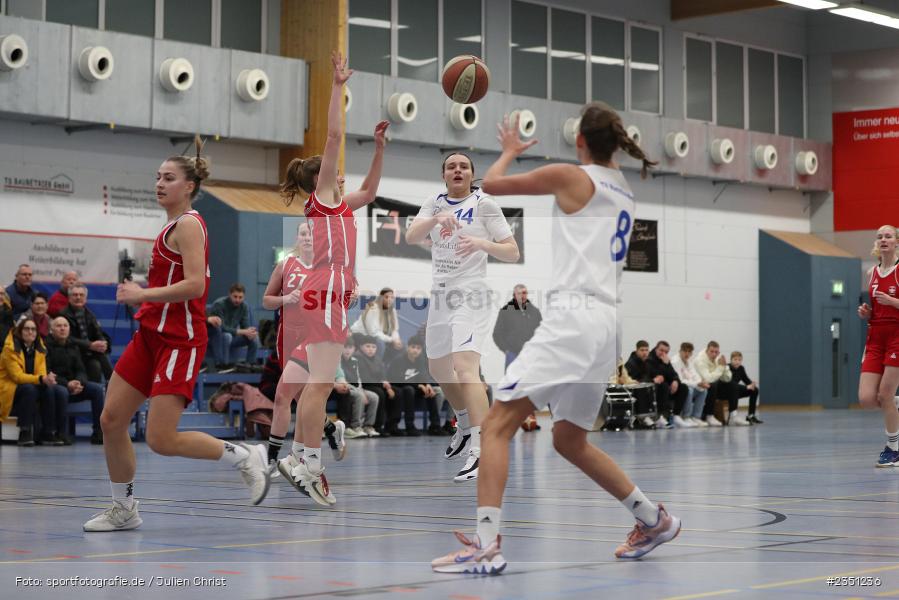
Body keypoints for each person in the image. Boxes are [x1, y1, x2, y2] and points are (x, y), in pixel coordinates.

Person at [431, 104, 681, 573]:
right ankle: (653, 518)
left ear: (580, 141)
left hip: (574, 317)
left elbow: (493, 184)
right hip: (607, 323)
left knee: (497, 426)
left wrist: (507, 151)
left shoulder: (572, 175)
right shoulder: (623, 188)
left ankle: (486, 545)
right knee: (568, 438)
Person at [82, 137, 270, 533]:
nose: (160, 183)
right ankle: (124, 508)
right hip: (150, 335)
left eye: (169, 177)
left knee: (161, 439)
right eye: (157, 177)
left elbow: (196, 286)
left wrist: (142, 293)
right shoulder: (170, 225)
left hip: (180, 340)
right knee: (112, 419)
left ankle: (244, 455)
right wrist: (145, 299)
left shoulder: (189, 225)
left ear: (189, 186)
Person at [276, 51, 389, 503]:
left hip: (333, 294)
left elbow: (371, 191)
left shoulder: (340, 205)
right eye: (332, 171)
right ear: (320, 179)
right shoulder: (322, 198)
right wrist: (338, 84)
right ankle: (307, 463)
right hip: (325, 290)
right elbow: (335, 134)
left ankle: (303, 460)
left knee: (316, 384)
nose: (340, 175)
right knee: (320, 384)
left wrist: (379, 150)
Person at [405, 151, 520, 483]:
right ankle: (465, 425)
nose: (458, 170)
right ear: (444, 175)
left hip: (471, 292)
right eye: (451, 166)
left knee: (464, 367)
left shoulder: (485, 204)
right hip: (441, 293)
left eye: (464, 166)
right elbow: (413, 235)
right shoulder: (434, 202)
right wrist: (435, 220)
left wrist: (483, 243)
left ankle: (482, 448)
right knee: (437, 368)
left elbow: (512, 252)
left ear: (471, 174)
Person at [261, 221, 349, 503]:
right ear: (297, 238)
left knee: (284, 396)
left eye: (312, 233)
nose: (307, 237)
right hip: (288, 337)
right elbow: (266, 301)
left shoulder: (329, 269)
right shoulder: (287, 265)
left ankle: (277, 460)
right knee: (301, 399)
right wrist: (288, 297)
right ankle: (329, 429)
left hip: (315, 337)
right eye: (302, 233)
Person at [857, 224, 899, 467]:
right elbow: (875, 309)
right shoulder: (871, 272)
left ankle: (893, 449)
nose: (883, 239)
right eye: (880, 236)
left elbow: (892, 304)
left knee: (884, 393)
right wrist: (866, 313)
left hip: (896, 336)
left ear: (896, 242)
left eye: (888, 236)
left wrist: (893, 301)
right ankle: (891, 400)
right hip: (875, 337)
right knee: (866, 398)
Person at [46, 316, 106, 444]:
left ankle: (98, 432)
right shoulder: (45, 347)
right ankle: (61, 433)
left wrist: (79, 382)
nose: (62, 328)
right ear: (51, 330)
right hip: (57, 385)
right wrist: (67, 384)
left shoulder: (73, 346)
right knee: (61, 391)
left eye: (65, 326)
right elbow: (47, 371)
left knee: (96, 389)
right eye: (58, 326)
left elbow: (81, 369)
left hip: (74, 385)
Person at [492, 284, 543, 432]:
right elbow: (497, 334)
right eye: (520, 293)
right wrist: (506, 350)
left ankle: (530, 420)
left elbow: (541, 332)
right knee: (512, 388)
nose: (523, 295)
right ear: (514, 295)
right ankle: (509, 421)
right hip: (513, 355)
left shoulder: (534, 312)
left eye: (525, 293)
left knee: (530, 388)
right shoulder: (506, 311)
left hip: (530, 356)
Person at [0, 318, 56, 446]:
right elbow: (17, 377)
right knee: (29, 389)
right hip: (8, 387)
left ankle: (48, 433)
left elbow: (41, 372)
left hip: (28, 386)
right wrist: (41, 379)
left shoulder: (40, 348)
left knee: (48, 389)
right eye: (27, 329)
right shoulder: (10, 349)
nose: (30, 332)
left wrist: (46, 379)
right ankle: (24, 432)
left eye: (33, 329)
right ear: (20, 331)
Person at [388, 335, 445, 436]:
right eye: (413, 347)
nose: (415, 350)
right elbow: (399, 379)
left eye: (418, 348)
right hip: (400, 386)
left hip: (416, 387)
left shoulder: (420, 360)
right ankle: (410, 426)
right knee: (409, 390)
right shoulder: (399, 360)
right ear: (407, 347)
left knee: (432, 391)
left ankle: (435, 426)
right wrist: (418, 385)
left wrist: (427, 384)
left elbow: (424, 375)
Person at [60, 284, 113, 384]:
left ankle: (111, 385)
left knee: (102, 356)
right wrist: (90, 345)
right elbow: (68, 338)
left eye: (81, 295)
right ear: (69, 298)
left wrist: (102, 343)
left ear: (85, 298)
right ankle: (100, 389)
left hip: (89, 351)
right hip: (73, 351)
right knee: (95, 365)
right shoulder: (63, 314)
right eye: (75, 295)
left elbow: (98, 332)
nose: (78, 297)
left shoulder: (89, 313)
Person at [207, 283, 258, 368]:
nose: (237, 300)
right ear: (229, 294)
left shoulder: (244, 306)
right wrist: (243, 331)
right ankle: (224, 365)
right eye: (235, 296)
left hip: (233, 337)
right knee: (227, 336)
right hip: (217, 338)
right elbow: (220, 328)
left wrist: (250, 332)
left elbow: (245, 326)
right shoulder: (219, 304)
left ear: (243, 297)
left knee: (254, 338)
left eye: (240, 297)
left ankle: (250, 365)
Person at [340, 336, 380, 437]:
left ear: (354, 349)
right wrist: (359, 392)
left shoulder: (354, 361)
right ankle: (356, 426)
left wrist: (361, 390)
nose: (347, 350)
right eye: (345, 347)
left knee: (374, 397)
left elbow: (358, 380)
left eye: (350, 347)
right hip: (344, 388)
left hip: (356, 388)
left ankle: (368, 426)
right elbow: (340, 380)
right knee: (358, 395)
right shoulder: (338, 361)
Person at [350, 288, 403, 360]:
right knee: (380, 344)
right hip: (361, 334)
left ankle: (391, 369)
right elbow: (373, 332)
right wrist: (391, 340)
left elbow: (395, 329)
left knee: (401, 347)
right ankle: (377, 366)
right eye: (387, 297)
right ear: (381, 298)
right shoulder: (373, 308)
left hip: (380, 336)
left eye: (392, 297)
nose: (389, 299)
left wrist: (396, 339)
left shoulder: (392, 311)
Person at [693, 341, 733, 426]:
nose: (714, 354)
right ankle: (709, 415)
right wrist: (721, 367)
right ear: (707, 350)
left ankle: (733, 415)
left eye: (716, 352)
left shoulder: (718, 358)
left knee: (732, 385)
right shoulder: (700, 360)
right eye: (711, 351)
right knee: (713, 385)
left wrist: (724, 366)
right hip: (699, 386)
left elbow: (727, 378)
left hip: (713, 386)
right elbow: (708, 379)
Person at [670, 342, 709, 427]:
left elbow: (695, 375)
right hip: (678, 389)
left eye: (689, 352)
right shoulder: (675, 362)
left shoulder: (689, 361)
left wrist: (701, 382)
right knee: (689, 390)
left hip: (690, 385)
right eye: (685, 351)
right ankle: (686, 417)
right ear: (680, 351)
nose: (687, 354)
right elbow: (681, 380)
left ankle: (696, 417)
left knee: (703, 391)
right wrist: (697, 383)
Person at [728, 351, 762, 425]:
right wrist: (747, 387)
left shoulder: (741, 368)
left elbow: (746, 380)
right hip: (727, 392)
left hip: (736, 391)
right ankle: (733, 416)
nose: (737, 362)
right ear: (731, 360)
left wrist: (751, 384)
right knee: (735, 389)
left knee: (755, 390)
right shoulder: (727, 368)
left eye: (739, 360)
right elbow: (731, 383)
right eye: (735, 359)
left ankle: (751, 415)